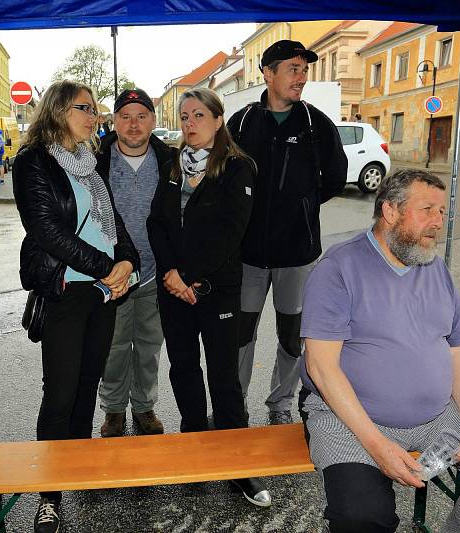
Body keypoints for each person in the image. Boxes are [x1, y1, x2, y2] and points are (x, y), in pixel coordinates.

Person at [299, 168, 460, 532]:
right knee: (361, 518)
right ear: (390, 212)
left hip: (438, 416)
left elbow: (459, 351)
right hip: (350, 421)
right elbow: (321, 367)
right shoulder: (338, 269)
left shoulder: (433, 267)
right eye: (427, 210)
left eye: (441, 211)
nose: (438, 222)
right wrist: (377, 446)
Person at [13, 79, 139, 533]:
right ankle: (49, 494)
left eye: (95, 109)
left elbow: (113, 219)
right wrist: (107, 266)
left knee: (88, 384)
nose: (95, 116)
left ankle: (78, 465)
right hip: (66, 291)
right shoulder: (33, 163)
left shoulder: (90, 161)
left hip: (102, 292)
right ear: (59, 111)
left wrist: (128, 260)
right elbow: (47, 229)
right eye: (85, 108)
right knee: (61, 392)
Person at [147, 87, 271, 508]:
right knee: (183, 369)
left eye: (199, 115)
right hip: (173, 290)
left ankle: (240, 467)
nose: (190, 124)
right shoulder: (172, 166)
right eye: (184, 117)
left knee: (223, 376)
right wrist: (170, 274)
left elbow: (230, 233)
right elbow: (156, 223)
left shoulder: (238, 168)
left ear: (219, 120)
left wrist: (189, 275)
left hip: (217, 290)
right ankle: (196, 447)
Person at [226, 40, 347, 425]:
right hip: (247, 256)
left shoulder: (316, 124)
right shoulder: (242, 123)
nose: (301, 77)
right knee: (241, 334)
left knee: (292, 336)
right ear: (268, 73)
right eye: (293, 69)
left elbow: (336, 178)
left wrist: (302, 206)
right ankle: (236, 402)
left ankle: (280, 403)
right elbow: (222, 178)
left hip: (297, 255)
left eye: (304, 69)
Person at [96, 88, 176, 438]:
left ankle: (144, 406)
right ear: (114, 121)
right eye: (125, 116)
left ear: (153, 121)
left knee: (148, 348)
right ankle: (113, 409)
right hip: (113, 274)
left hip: (155, 274)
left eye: (141, 116)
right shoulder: (95, 161)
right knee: (113, 347)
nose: (133, 124)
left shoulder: (169, 160)